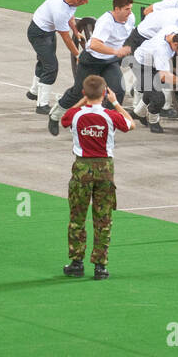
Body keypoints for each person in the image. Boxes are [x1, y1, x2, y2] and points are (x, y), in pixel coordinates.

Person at [62, 75, 133, 280]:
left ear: (84, 93)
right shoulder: (110, 115)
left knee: (77, 217)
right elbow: (130, 124)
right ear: (104, 94)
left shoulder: (75, 115)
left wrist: (84, 101)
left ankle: (76, 262)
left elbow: (66, 116)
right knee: (103, 219)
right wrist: (116, 103)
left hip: (82, 167)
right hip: (105, 169)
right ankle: (100, 266)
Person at [49, 0, 133, 136]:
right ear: (117, 9)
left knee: (118, 90)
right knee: (78, 93)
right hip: (92, 60)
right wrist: (115, 51)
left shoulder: (130, 18)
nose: (130, 12)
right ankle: (55, 115)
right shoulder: (105, 22)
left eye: (130, 9)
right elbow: (94, 45)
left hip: (110, 61)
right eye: (126, 9)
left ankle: (107, 125)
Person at [27, 0, 89, 115]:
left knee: (43, 61)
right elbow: (66, 38)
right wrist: (78, 55)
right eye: (84, 1)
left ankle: (33, 92)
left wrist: (76, 31)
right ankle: (41, 105)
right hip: (38, 33)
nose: (86, 3)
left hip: (48, 31)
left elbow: (70, 15)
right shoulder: (60, 11)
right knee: (51, 67)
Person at [132, 30, 178, 133]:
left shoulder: (173, 32)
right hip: (140, 65)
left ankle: (138, 113)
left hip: (153, 62)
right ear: (176, 44)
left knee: (152, 89)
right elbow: (164, 77)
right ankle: (153, 122)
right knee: (159, 98)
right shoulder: (162, 50)